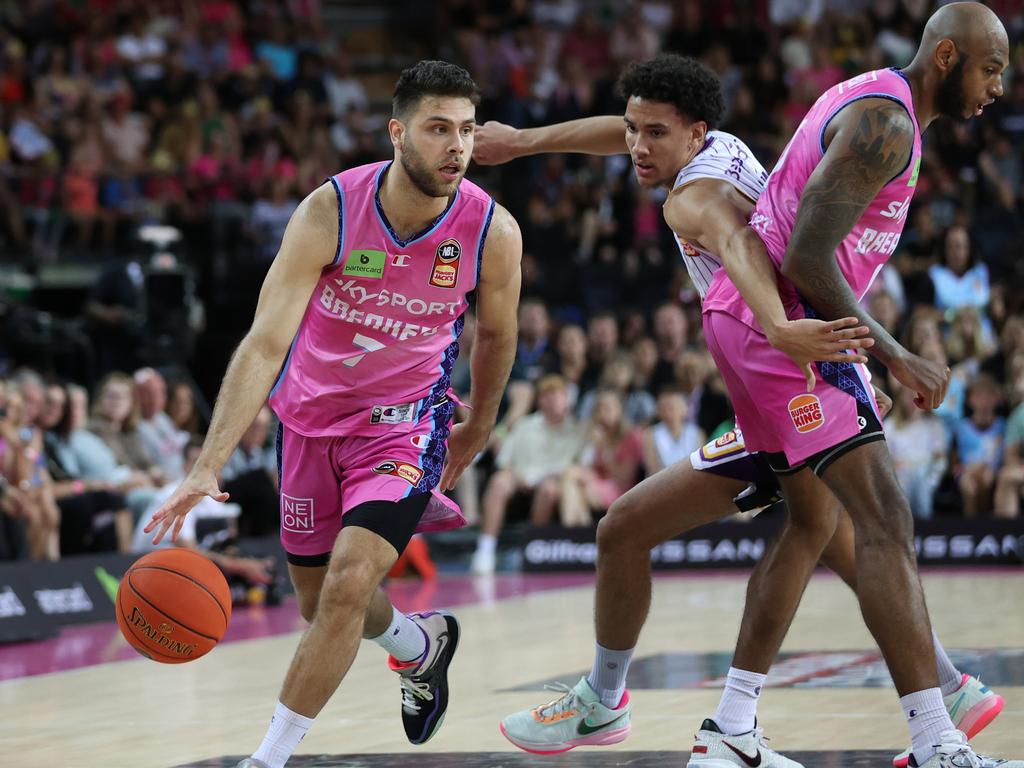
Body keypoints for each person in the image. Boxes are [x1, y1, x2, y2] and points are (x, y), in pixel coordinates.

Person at [473, 44, 1006, 768]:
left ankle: (905, 716)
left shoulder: (692, 196)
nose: (635, 145)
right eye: (634, 130)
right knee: (638, 530)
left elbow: (741, 242)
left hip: (779, 344)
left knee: (846, 522)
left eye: (653, 134)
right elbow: (621, 128)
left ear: (694, 135)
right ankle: (667, 710)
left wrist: (798, 333)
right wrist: (525, 143)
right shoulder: (715, 143)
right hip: (775, 356)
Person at [144, 60, 522, 768]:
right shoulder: (332, 210)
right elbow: (263, 343)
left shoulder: (491, 231)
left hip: (406, 425)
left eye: (467, 130)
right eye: (438, 128)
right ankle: (419, 644)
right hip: (307, 425)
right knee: (324, 607)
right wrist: (208, 464)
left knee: (352, 580)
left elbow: (498, 336)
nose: (457, 147)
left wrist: (480, 423)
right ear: (397, 133)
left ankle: (268, 758)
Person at [697, 5, 1015, 767]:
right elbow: (808, 254)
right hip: (787, 331)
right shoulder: (888, 126)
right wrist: (899, 355)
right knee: (886, 526)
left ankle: (730, 728)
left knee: (811, 527)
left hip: (756, 322)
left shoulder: (881, 104)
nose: (999, 88)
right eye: (992, 69)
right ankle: (937, 739)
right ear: (946, 57)